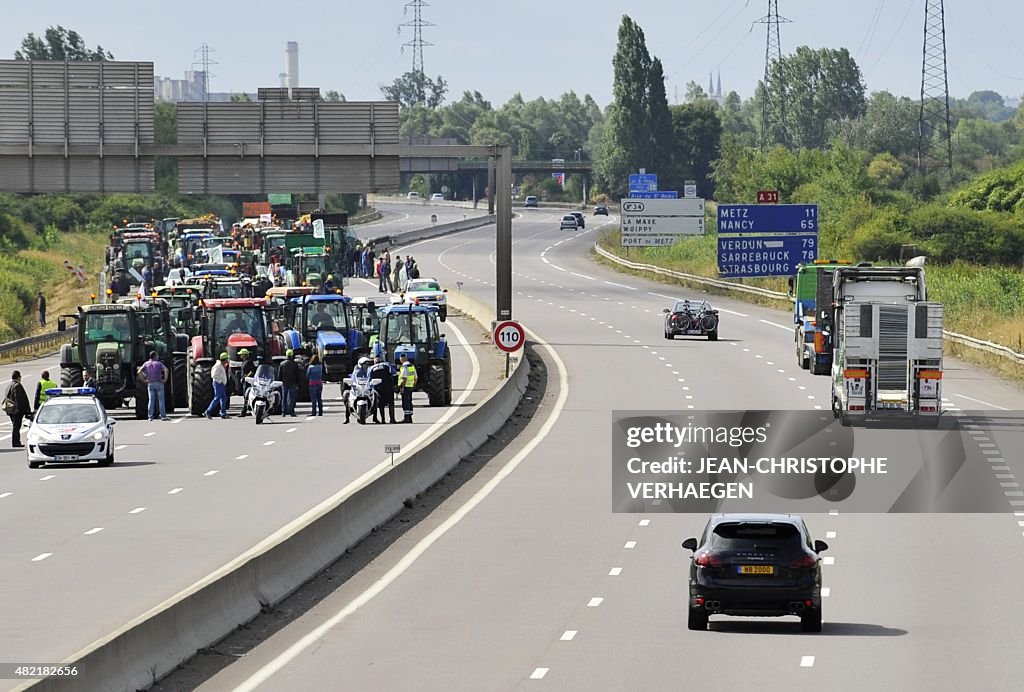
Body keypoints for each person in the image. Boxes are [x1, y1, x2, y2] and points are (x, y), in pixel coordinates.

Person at [4, 371, 32, 447]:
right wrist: (23, 410)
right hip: (16, 410)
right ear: (18, 377)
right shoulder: (17, 386)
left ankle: (16, 441)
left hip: (10, 409)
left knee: (15, 426)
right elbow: (19, 399)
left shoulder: (9, 386)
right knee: (16, 426)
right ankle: (16, 442)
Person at [140, 351, 169, 421]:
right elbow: (166, 369)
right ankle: (163, 416)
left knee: (151, 400)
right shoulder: (159, 363)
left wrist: (144, 380)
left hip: (150, 383)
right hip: (159, 383)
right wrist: (165, 379)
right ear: (155, 356)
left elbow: (139, 371)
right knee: (161, 400)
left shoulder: (146, 364)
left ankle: (150, 416)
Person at [344, 356, 373, 424]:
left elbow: (371, 379)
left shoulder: (370, 371)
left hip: (367, 389)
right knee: (346, 395)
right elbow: (353, 379)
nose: (366, 366)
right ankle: (347, 418)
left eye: (367, 364)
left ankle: (375, 417)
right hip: (357, 388)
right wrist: (351, 383)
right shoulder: (356, 372)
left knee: (375, 395)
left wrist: (372, 384)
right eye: (364, 364)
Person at [369, 355, 397, 424]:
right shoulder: (387, 365)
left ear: (375, 361)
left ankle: (383, 420)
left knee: (381, 405)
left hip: (378, 388)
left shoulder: (371, 368)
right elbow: (394, 374)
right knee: (391, 404)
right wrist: (395, 385)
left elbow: (369, 379)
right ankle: (392, 419)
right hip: (388, 387)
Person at [204, 353, 231, 419]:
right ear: (225, 359)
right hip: (218, 384)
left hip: (220, 384)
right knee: (217, 398)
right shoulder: (218, 366)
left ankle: (223, 413)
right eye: (227, 359)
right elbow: (213, 375)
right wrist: (220, 381)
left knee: (223, 398)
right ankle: (208, 411)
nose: (227, 360)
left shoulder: (221, 365)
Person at [396, 353, 417, 424]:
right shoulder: (412, 366)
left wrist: (402, 387)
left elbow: (404, 378)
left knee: (405, 402)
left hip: (405, 387)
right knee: (409, 401)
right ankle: (410, 417)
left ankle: (406, 418)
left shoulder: (404, 367)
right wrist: (413, 385)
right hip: (410, 387)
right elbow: (415, 378)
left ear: (402, 359)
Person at [278, 349, 300, 417]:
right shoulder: (295, 364)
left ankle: (283, 412)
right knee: (292, 398)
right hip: (293, 382)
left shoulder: (282, 364)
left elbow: (279, 374)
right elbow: (297, 374)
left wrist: (280, 381)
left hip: (284, 383)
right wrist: (297, 383)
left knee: (284, 397)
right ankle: (292, 412)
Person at [238, 348, 257, 416]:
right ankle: (248, 409)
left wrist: (246, 377)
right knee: (245, 396)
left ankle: (244, 411)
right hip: (244, 381)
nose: (240, 356)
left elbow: (252, 371)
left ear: (244, 355)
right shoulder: (244, 362)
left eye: (241, 354)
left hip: (248, 381)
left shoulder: (249, 362)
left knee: (247, 396)